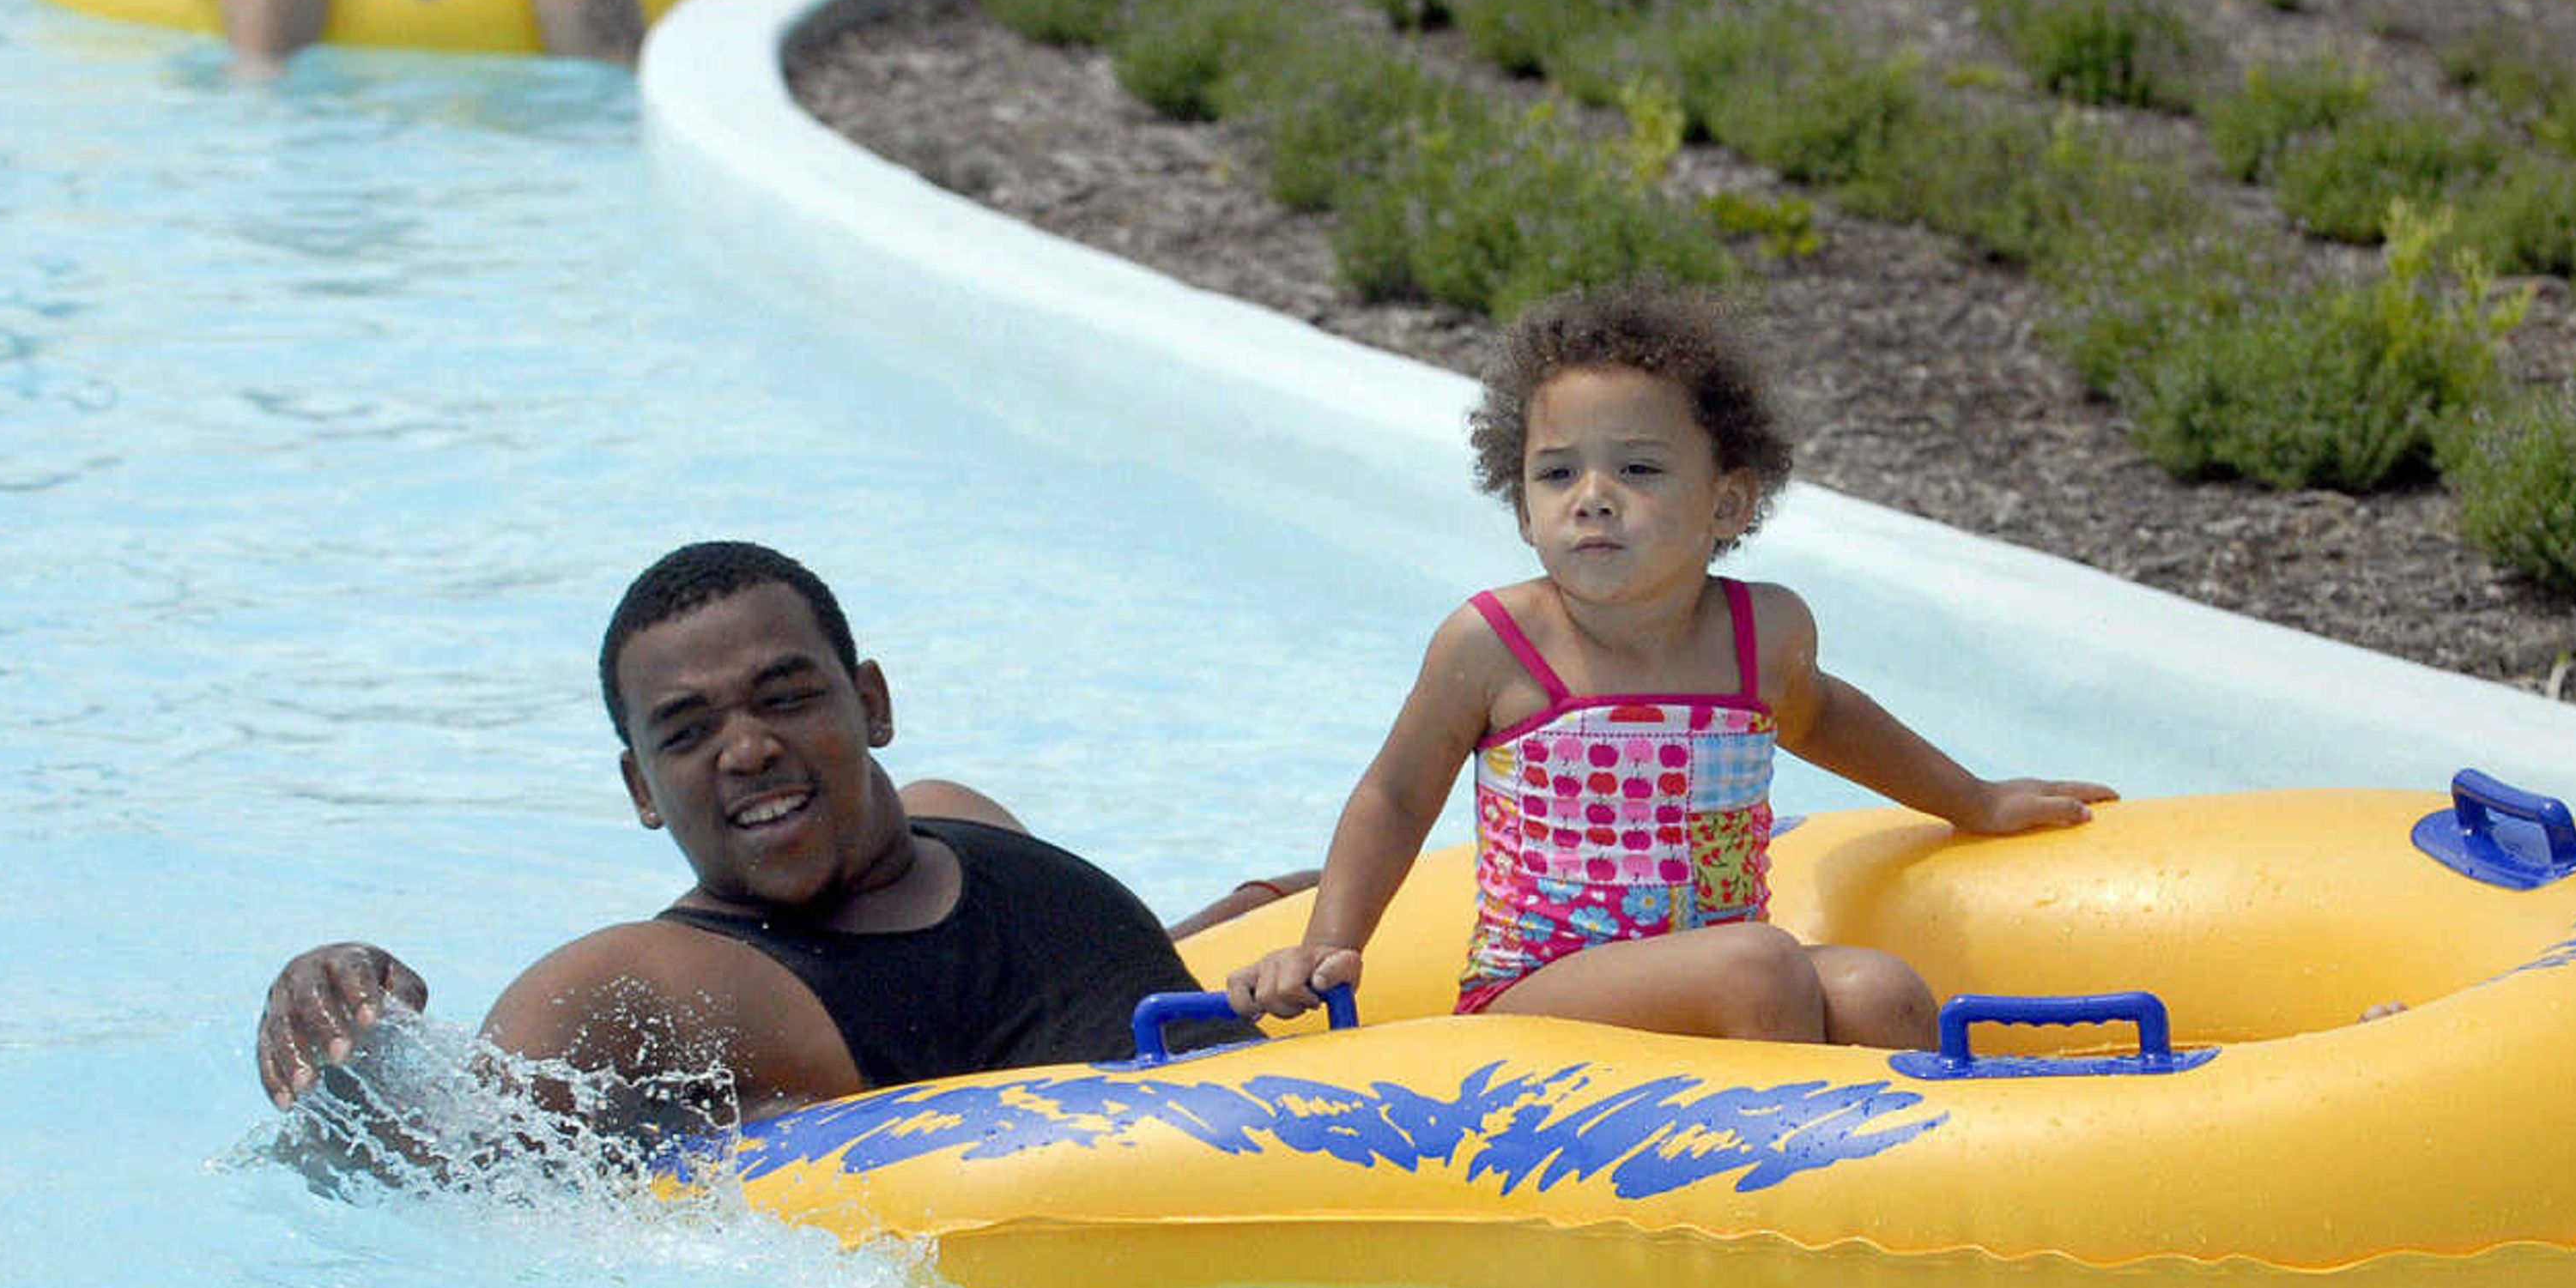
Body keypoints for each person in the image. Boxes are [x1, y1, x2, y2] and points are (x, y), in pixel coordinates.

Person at [1224, 283, 2117, 1049]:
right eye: (1556, 473)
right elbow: (1396, 796)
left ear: (1727, 501)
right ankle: (1777, 1198)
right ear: (1522, 507)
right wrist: (1327, 942)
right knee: (1759, 960)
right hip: (1540, 993)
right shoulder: (1496, 642)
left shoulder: (1760, 633)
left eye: (1639, 467)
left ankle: (1907, 1199)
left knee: (1882, 990)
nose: (1594, 496)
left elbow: (1828, 719)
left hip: (1719, 973)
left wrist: (1977, 799)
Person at [256, 540, 1271, 1145]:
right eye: (688, 734)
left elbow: (1028, 1004)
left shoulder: (965, 818)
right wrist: (349, 1019)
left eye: (786, 698)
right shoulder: (645, 981)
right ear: (640, 790)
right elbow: (448, 1153)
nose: (746, 750)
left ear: (870, 701)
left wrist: (1236, 917)